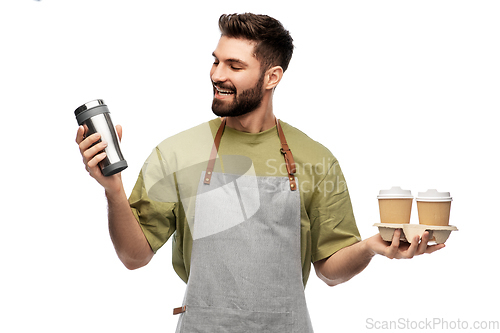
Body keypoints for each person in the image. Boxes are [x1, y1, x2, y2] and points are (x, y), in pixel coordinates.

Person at [76, 13, 444, 332]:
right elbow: (133, 256)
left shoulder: (316, 159)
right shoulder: (175, 153)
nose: (217, 74)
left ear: (272, 77)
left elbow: (330, 270)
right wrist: (112, 189)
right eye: (216, 61)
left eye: (234, 66)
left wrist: (369, 247)